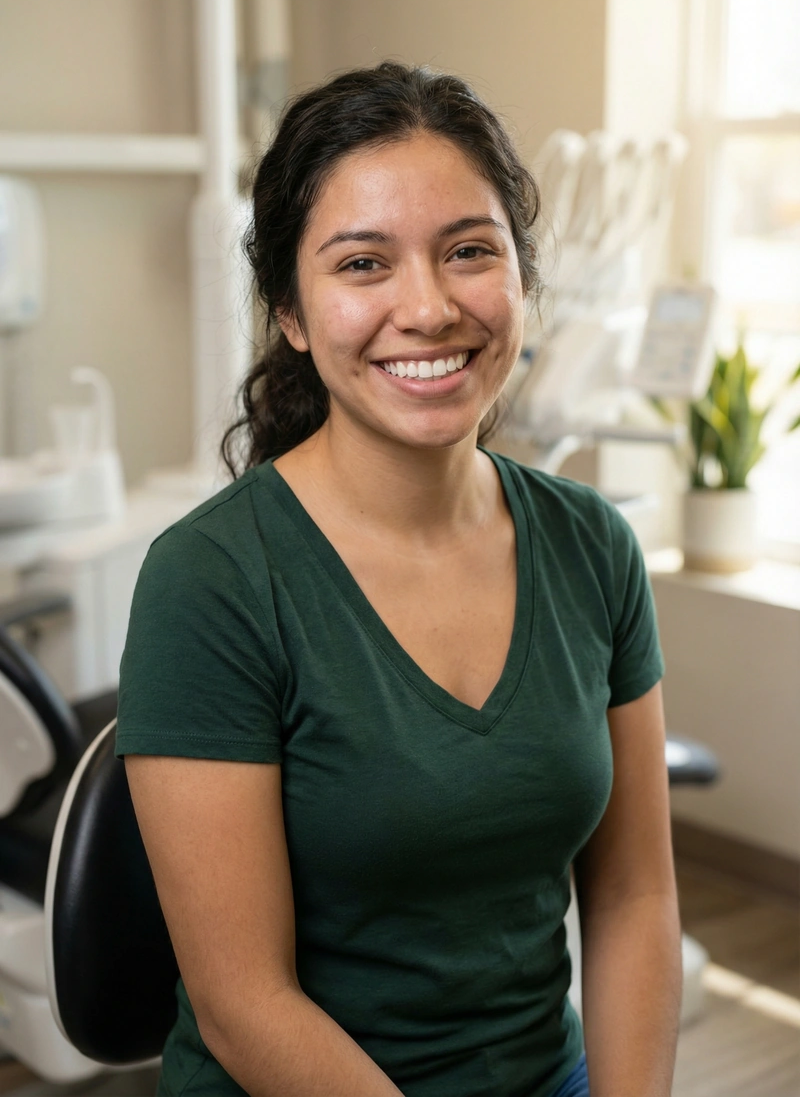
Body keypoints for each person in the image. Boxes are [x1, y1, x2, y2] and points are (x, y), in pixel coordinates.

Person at [116, 62, 681, 1097]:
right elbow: (246, 1005)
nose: (426, 307)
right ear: (289, 309)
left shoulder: (591, 547)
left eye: (468, 251)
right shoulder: (211, 581)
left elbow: (633, 898)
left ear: (519, 279)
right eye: (362, 263)